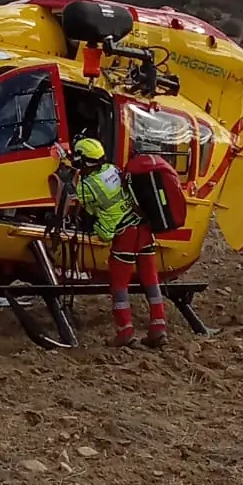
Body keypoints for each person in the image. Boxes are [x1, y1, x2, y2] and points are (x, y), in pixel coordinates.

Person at [62, 137, 169, 349]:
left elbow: (77, 202)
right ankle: (158, 327)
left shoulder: (87, 185)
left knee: (120, 285)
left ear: (84, 160)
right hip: (143, 228)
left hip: (125, 235)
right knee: (150, 279)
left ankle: (125, 331)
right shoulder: (112, 169)